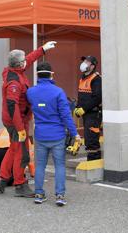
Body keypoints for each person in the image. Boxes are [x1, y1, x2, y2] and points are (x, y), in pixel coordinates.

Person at [0, 41, 57, 198]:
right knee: (22, 153)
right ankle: (20, 185)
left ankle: (2, 178)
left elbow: (29, 59)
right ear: (19, 64)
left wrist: (42, 49)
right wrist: (20, 128)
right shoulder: (14, 82)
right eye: (24, 61)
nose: (26, 62)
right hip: (16, 121)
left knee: (14, 148)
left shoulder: (14, 71)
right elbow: (12, 106)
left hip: (14, 120)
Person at [27, 62, 81, 206]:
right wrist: (75, 134)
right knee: (60, 166)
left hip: (40, 135)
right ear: (51, 74)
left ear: (37, 75)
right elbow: (66, 116)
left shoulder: (31, 92)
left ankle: (39, 193)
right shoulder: (58, 92)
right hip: (57, 135)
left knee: (40, 165)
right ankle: (60, 196)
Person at [73, 56, 102, 161]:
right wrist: (77, 107)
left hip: (93, 114)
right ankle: (91, 161)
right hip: (86, 113)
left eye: (87, 62)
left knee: (92, 139)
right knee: (88, 138)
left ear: (92, 66)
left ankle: (94, 161)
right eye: (84, 61)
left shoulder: (96, 79)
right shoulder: (83, 77)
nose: (84, 63)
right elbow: (82, 95)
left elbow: (97, 98)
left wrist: (83, 109)